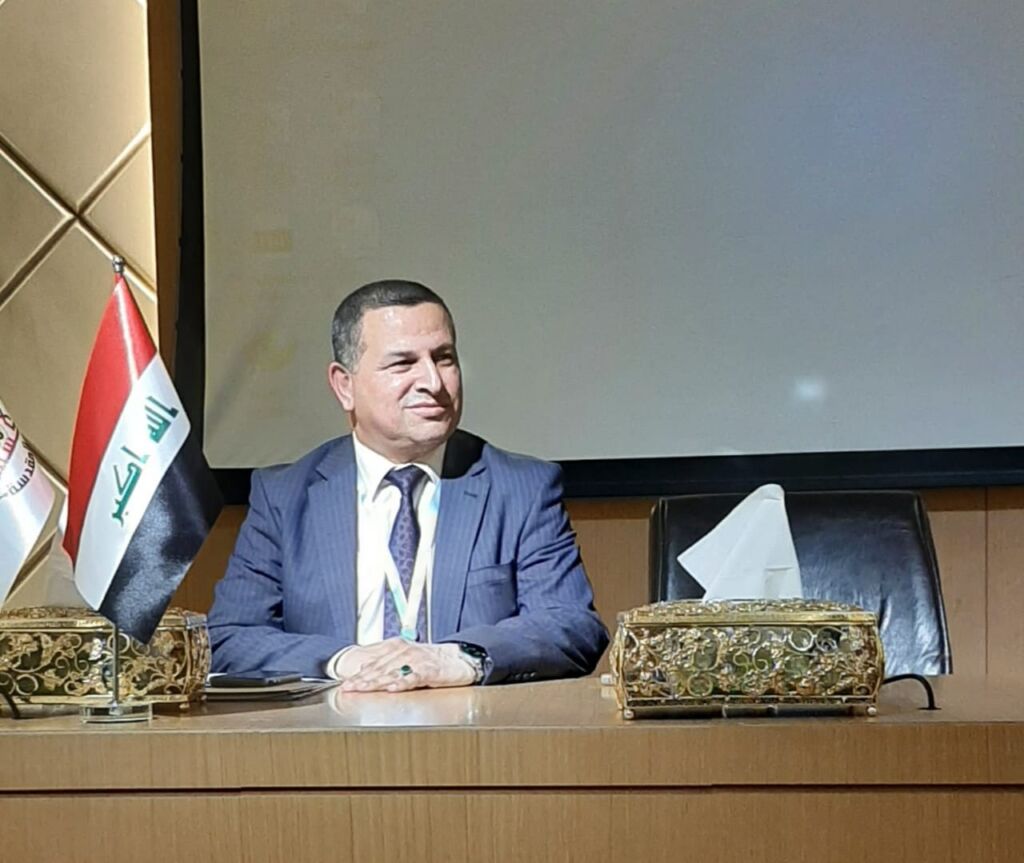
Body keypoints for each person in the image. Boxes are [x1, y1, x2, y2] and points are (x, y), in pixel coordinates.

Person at [208, 279, 608, 691]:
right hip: (332, 722)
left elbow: (570, 624)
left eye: (444, 358)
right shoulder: (285, 496)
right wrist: (347, 661)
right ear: (345, 386)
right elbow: (229, 636)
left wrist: (456, 657)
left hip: (471, 724)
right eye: (403, 364)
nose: (433, 382)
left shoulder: (520, 488)